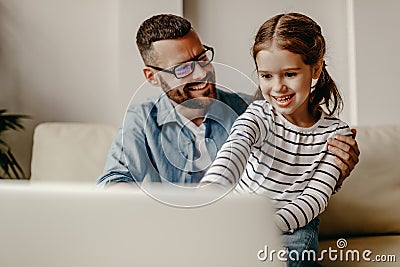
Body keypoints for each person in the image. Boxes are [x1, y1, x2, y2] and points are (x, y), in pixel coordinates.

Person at [97, 14, 359, 190]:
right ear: (152, 77)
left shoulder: (255, 111)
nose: (201, 74)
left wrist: (334, 170)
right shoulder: (140, 120)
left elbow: (291, 177)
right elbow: (111, 183)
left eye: (202, 58)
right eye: (182, 69)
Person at [199, 13, 355, 266]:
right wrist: (208, 197)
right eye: (267, 76)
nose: (277, 87)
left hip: (296, 222)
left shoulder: (335, 134)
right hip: (242, 214)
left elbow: (313, 199)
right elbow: (232, 153)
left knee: (290, 258)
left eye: (290, 74)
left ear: (315, 69)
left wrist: (264, 228)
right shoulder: (258, 115)